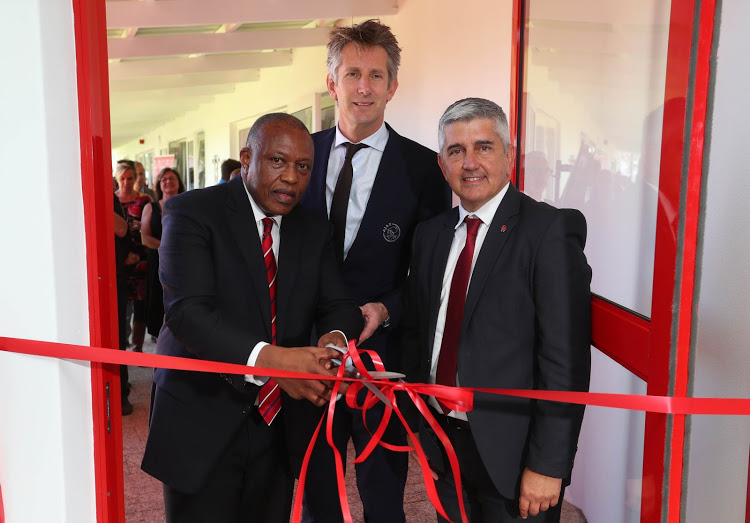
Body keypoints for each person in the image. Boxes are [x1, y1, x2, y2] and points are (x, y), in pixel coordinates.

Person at [141, 113, 364, 523]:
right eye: (278, 161)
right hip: (202, 414)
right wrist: (279, 361)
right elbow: (188, 315)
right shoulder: (192, 213)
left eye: (303, 167)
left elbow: (340, 306)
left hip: (277, 423)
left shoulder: (313, 230)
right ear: (247, 159)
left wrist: (332, 343)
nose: (292, 179)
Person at [399, 98, 591, 522]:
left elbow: (566, 361)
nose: (470, 163)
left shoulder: (549, 232)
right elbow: (420, 329)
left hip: (515, 453)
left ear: (509, 155)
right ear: (441, 162)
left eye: (483, 147)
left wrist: (548, 465)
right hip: (441, 439)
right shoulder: (430, 236)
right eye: (456, 150)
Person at [292, 18, 452, 523]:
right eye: (353, 73)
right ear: (331, 81)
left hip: (382, 362)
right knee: (319, 489)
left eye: (377, 76)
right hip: (307, 353)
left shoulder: (425, 170)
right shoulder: (300, 157)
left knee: (384, 494)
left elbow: (430, 272)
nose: (364, 87)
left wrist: (386, 309)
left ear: (393, 86)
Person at [140, 167, 185, 340]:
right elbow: (145, 238)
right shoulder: (151, 207)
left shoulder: (187, 205)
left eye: (172, 178)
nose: (168, 182)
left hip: (183, 261)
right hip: (158, 261)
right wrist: (167, 249)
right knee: (158, 300)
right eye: (164, 179)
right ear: (159, 184)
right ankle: (158, 337)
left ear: (179, 182)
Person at [115, 163, 151, 353]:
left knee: (140, 304)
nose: (126, 183)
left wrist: (140, 224)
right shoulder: (112, 199)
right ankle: (124, 341)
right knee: (123, 305)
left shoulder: (143, 199)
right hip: (120, 259)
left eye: (130, 178)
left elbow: (151, 225)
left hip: (141, 256)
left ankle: (137, 347)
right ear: (117, 179)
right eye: (122, 178)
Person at [113, 192, 134, 415]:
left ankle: (120, 393)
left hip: (112, 276)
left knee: (117, 336)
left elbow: (121, 229)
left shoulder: (107, 195)